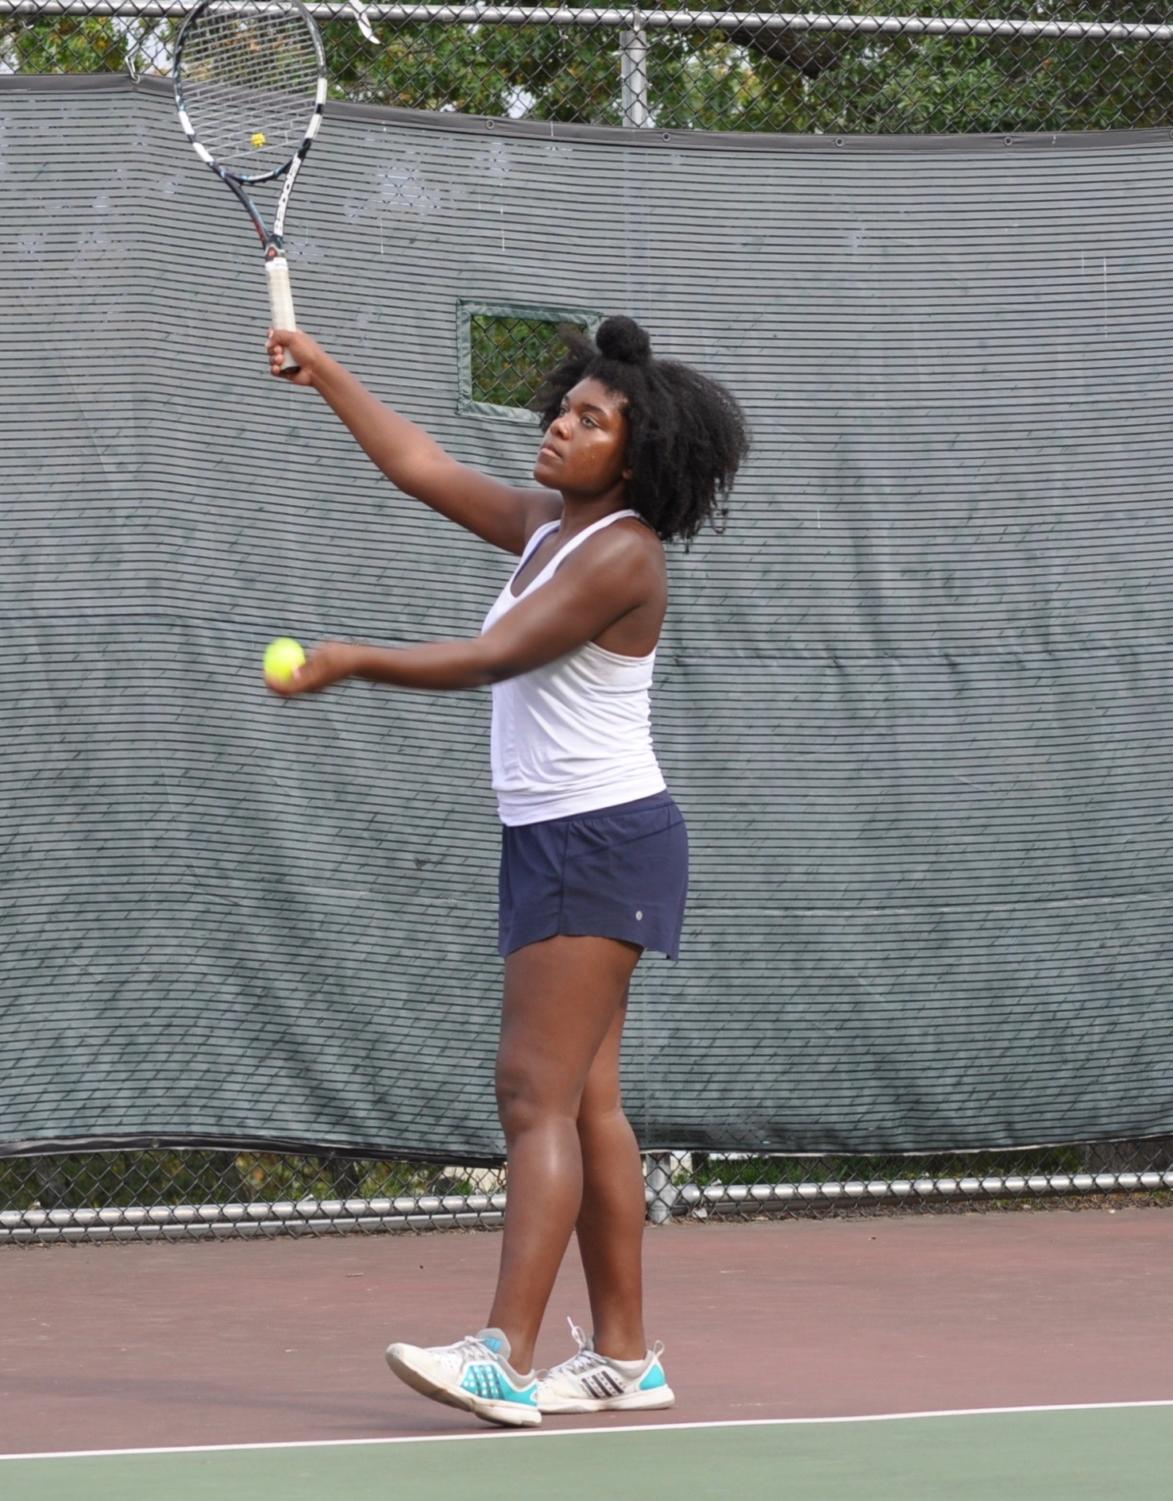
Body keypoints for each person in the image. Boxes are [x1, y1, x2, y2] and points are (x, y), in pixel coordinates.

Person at [264, 315, 749, 1428]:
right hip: (564, 835)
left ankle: (503, 1355)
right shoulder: (550, 527)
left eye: (591, 420)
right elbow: (419, 464)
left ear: (632, 457)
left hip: (597, 836)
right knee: (586, 1105)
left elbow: (494, 656)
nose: (559, 429)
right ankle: (626, 1357)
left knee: (533, 1095)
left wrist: (350, 660)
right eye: (564, 410)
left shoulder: (624, 553)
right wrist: (327, 366)